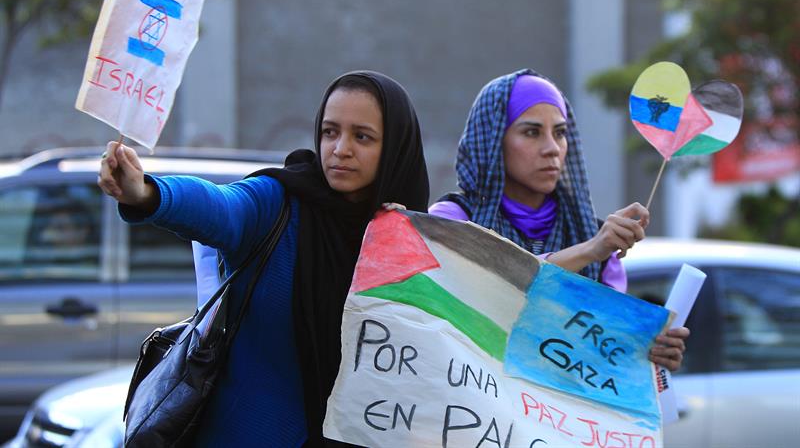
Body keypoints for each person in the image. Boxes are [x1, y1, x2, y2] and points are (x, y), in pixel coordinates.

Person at [98, 71, 429, 447]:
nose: (340, 149)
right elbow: (222, 207)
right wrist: (147, 193)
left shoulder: (412, 237)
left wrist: (402, 244)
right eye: (330, 132)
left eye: (362, 137)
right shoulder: (279, 203)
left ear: (396, 149)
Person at [429, 69, 688, 371]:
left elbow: (603, 355)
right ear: (493, 139)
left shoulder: (594, 240)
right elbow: (491, 294)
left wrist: (648, 352)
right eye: (531, 132)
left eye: (561, 133)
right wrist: (590, 250)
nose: (552, 148)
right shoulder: (453, 221)